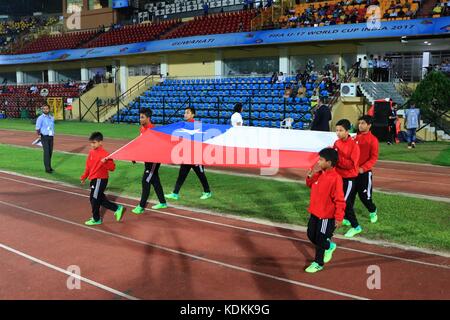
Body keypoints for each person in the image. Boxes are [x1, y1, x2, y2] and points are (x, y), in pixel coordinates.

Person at [305, 147, 345, 273]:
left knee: (321, 238)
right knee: (311, 235)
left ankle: (318, 263)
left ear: (329, 162)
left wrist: (339, 217)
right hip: (314, 212)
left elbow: (340, 200)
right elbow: (309, 184)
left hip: (326, 216)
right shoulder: (319, 174)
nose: (318, 162)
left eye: (321, 160)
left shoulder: (336, 178)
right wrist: (309, 177)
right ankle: (330, 246)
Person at [165, 107, 212, 200]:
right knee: (181, 175)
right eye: (185, 113)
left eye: (187, 113)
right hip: (186, 155)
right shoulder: (183, 125)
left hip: (196, 156)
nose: (185, 114)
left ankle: (207, 192)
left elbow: (199, 140)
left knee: (201, 175)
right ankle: (175, 193)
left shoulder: (197, 125)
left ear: (193, 115)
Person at [81, 132, 124, 226]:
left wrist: (105, 162)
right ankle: (117, 208)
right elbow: (88, 166)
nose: (92, 144)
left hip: (100, 179)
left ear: (100, 142)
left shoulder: (105, 154)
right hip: (94, 179)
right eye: (91, 142)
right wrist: (84, 176)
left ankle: (96, 219)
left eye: (94, 142)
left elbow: (112, 168)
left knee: (94, 199)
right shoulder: (91, 152)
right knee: (99, 199)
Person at [132, 109, 168, 214]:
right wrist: (134, 155)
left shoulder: (153, 130)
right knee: (155, 180)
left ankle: (141, 206)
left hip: (154, 160)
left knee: (146, 180)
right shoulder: (142, 128)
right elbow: (141, 143)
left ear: (148, 118)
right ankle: (163, 202)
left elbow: (157, 146)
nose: (140, 119)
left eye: (142, 117)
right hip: (147, 159)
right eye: (140, 117)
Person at [333, 119, 362, 238]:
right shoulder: (336, 142)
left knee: (344, 203)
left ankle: (356, 227)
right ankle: (346, 219)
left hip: (349, 178)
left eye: (341, 130)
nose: (338, 133)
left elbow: (351, 164)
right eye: (336, 130)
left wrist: (338, 158)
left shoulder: (354, 146)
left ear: (347, 131)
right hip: (339, 177)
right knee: (339, 200)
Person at [355, 115, 379, 224]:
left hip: (364, 174)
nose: (360, 125)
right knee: (348, 197)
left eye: (363, 123)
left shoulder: (373, 140)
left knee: (365, 197)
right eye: (359, 123)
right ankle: (346, 217)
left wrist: (363, 168)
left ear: (369, 125)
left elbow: (373, 158)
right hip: (352, 173)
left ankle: (372, 210)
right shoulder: (354, 138)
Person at [35, 104, 55, 173]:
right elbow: (37, 128)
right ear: (42, 110)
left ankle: (49, 166)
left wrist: (52, 133)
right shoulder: (40, 118)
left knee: (50, 152)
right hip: (44, 136)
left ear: (49, 109)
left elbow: (52, 126)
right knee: (46, 152)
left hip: (51, 136)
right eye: (44, 109)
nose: (45, 110)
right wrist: (39, 135)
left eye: (47, 109)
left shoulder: (51, 117)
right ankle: (47, 168)